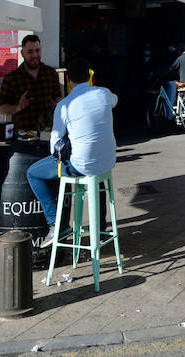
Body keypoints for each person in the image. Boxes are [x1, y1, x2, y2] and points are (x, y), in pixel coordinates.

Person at [27, 57, 117, 248]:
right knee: (95, 174)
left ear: (68, 79)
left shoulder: (64, 105)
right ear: (90, 77)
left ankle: (56, 224)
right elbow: (114, 101)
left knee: (33, 173)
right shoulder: (104, 94)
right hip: (108, 162)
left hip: (81, 166)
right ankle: (100, 228)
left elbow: (55, 146)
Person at [0, 34, 63, 133]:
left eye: (37, 50)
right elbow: (1, 109)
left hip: (48, 133)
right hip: (22, 136)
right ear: (22, 53)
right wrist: (18, 107)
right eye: (30, 52)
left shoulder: (51, 73)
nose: (35, 55)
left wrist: (57, 104)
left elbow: (57, 97)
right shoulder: (11, 78)